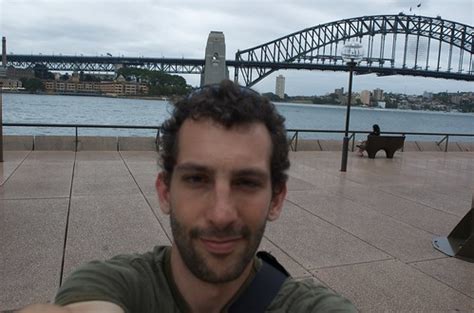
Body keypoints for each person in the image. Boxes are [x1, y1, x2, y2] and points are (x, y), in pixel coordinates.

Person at [20, 80, 357, 313]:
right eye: (197, 179)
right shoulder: (109, 285)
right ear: (165, 191)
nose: (221, 214)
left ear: (277, 199)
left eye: (247, 182)